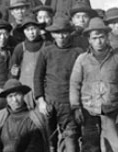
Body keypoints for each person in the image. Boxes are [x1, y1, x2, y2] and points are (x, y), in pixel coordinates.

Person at [70, 17, 118, 152]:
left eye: (101, 37)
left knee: (115, 147)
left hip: (111, 111)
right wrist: (76, 108)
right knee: (90, 146)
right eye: (94, 38)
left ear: (107, 37)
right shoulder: (82, 59)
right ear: (89, 40)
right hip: (89, 112)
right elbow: (74, 84)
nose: (98, 41)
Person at [33, 15, 84, 152]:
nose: (61, 36)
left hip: (70, 105)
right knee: (50, 141)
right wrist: (41, 101)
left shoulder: (78, 53)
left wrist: (78, 105)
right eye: (57, 33)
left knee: (71, 140)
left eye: (65, 32)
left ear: (70, 33)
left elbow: (83, 80)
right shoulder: (46, 52)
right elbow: (38, 77)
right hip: (50, 104)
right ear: (52, 34)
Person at [0, 79, 50, 152]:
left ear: (23, 95)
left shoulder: (33, 118)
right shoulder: (1, 117)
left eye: (17, 95)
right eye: (10, 96)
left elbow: (35, 146)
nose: (15, 100)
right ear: (6, 99)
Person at [9, 15, 49, 109]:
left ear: (39, 29)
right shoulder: (20, 48)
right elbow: (13, 70)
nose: (31, 32)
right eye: (27, 30)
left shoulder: (47, 46)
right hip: (25, 90)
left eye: (33, 28)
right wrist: (14, 73)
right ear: (23, 31)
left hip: (44, 90)